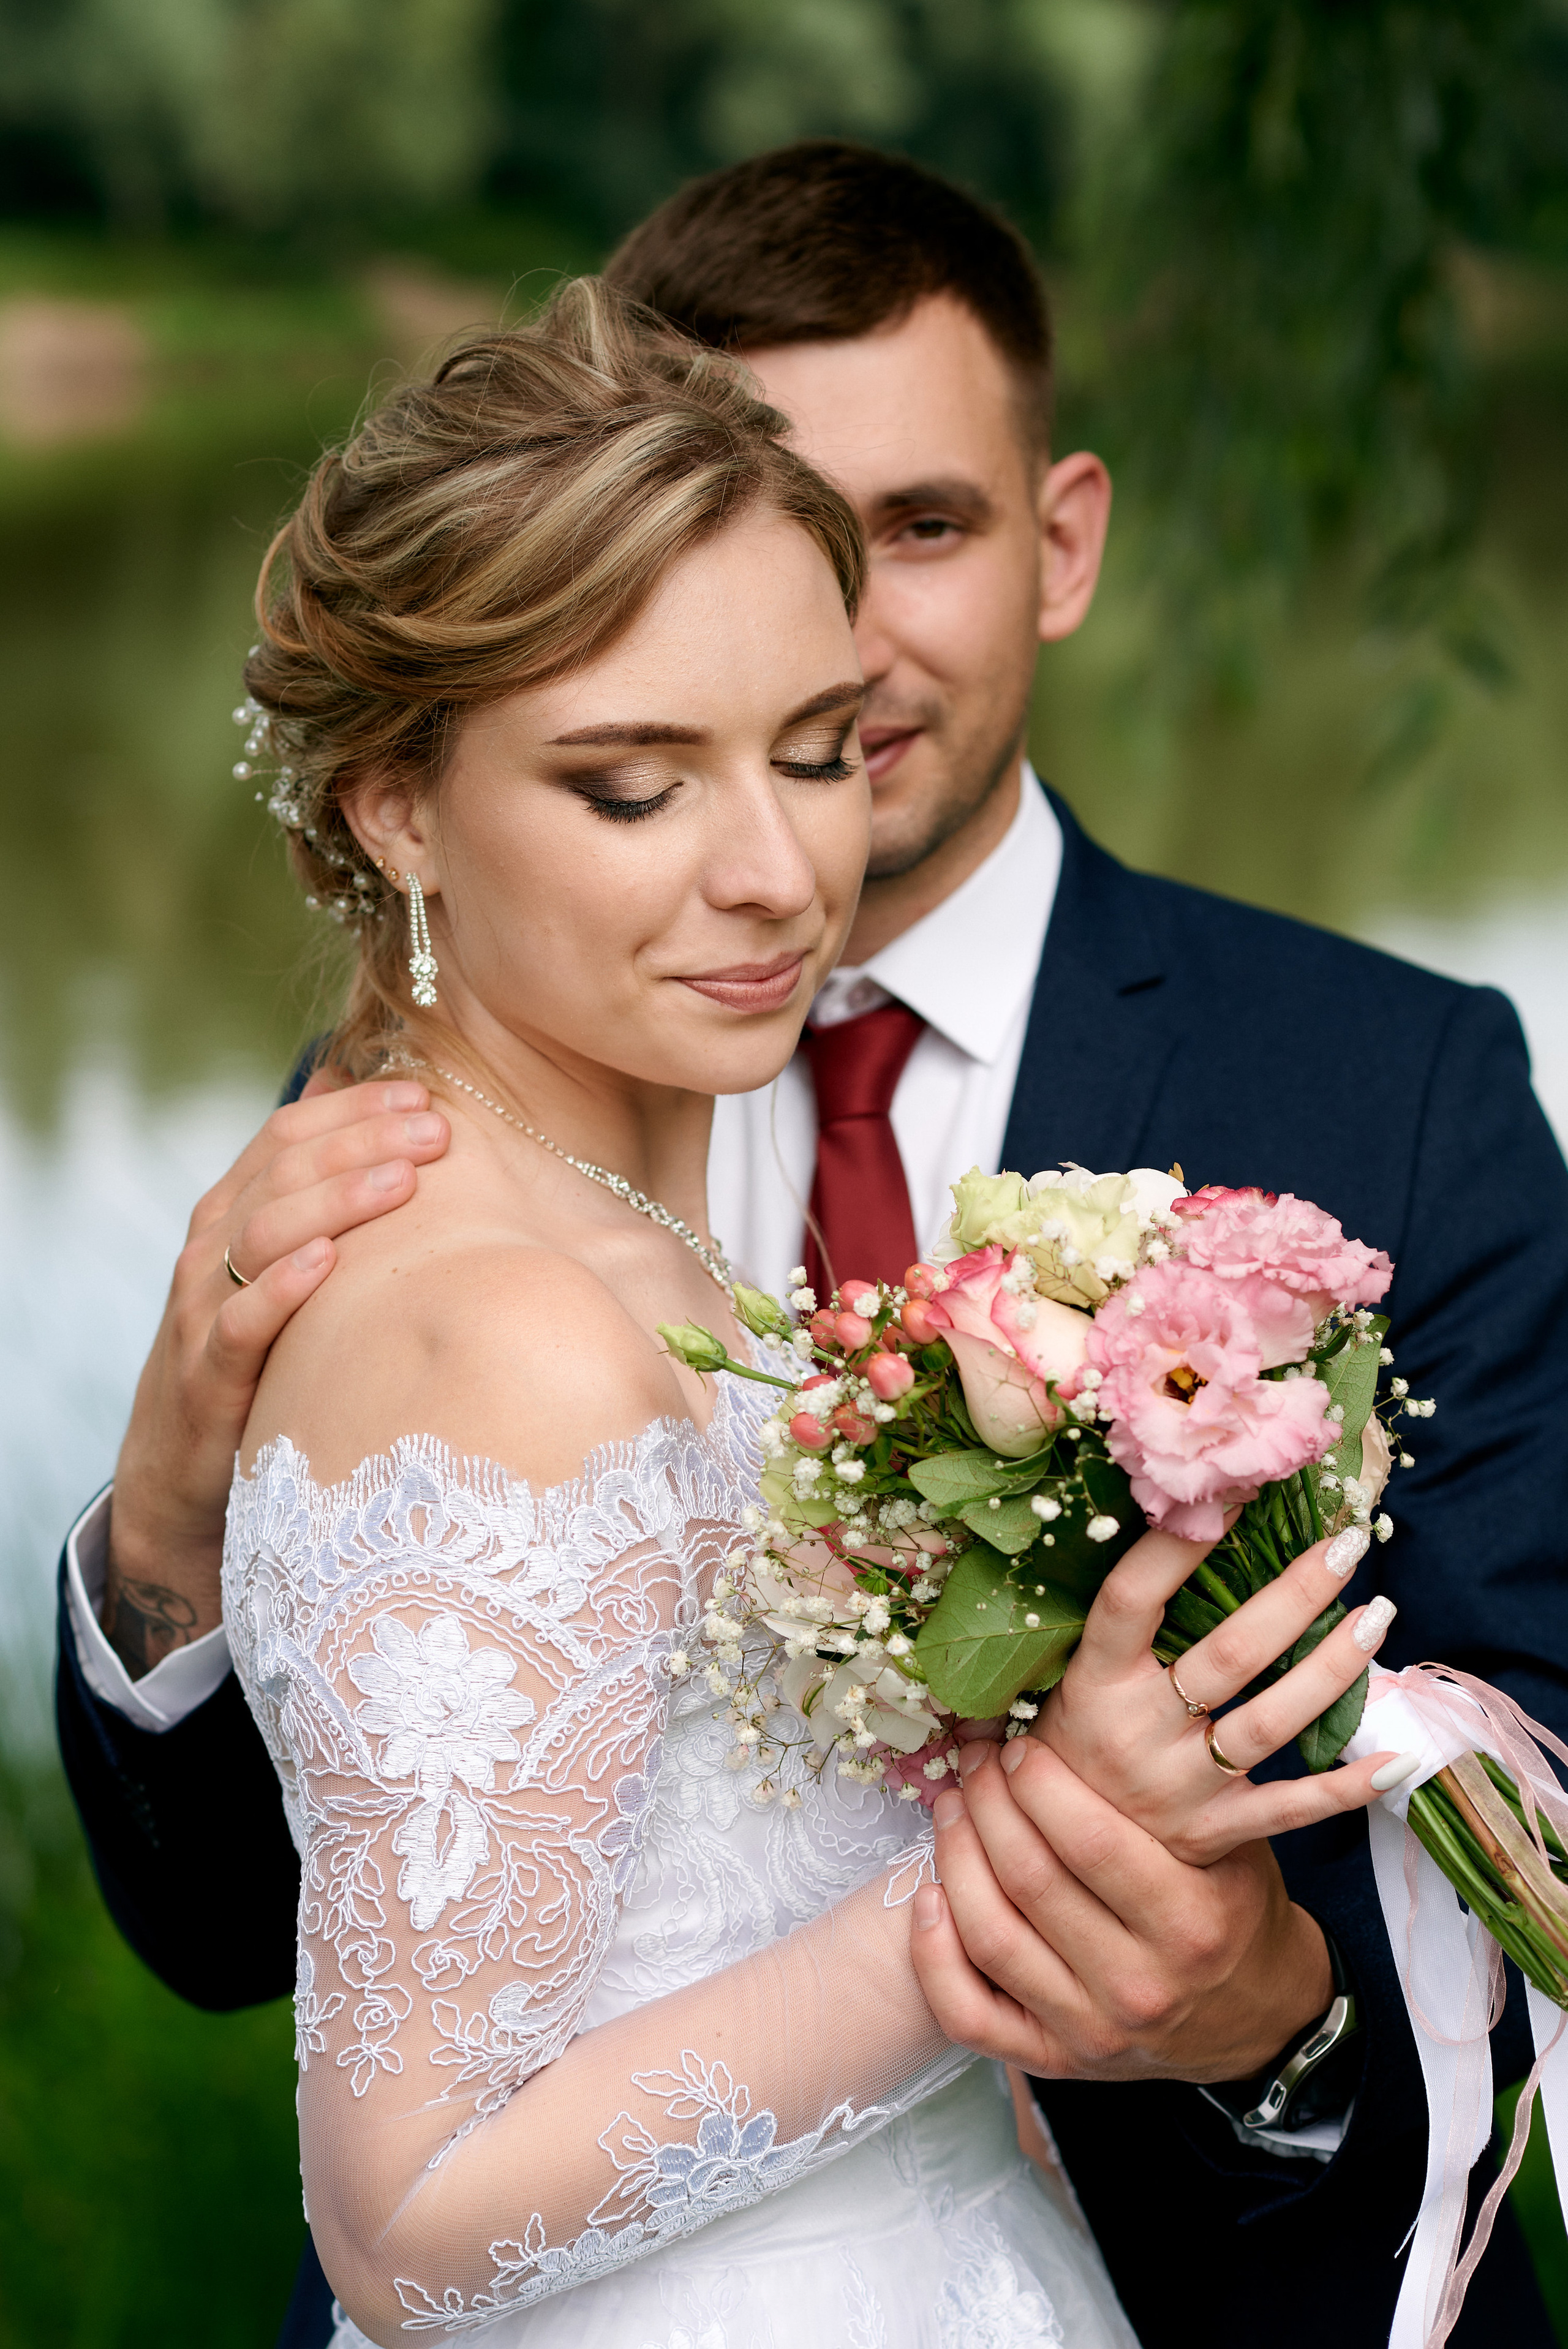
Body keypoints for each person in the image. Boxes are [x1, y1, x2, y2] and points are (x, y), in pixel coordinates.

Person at [54, 144, 1568, 2348]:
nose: (776, 871)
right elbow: (267, 1959)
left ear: (1057, 543)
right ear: (403, 804)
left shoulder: (1395, 1088)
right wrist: (165, 1534)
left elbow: (1541, 1795)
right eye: (635, 773)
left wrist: (1266, 1998)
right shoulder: (381, 1183)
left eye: (815, 727)